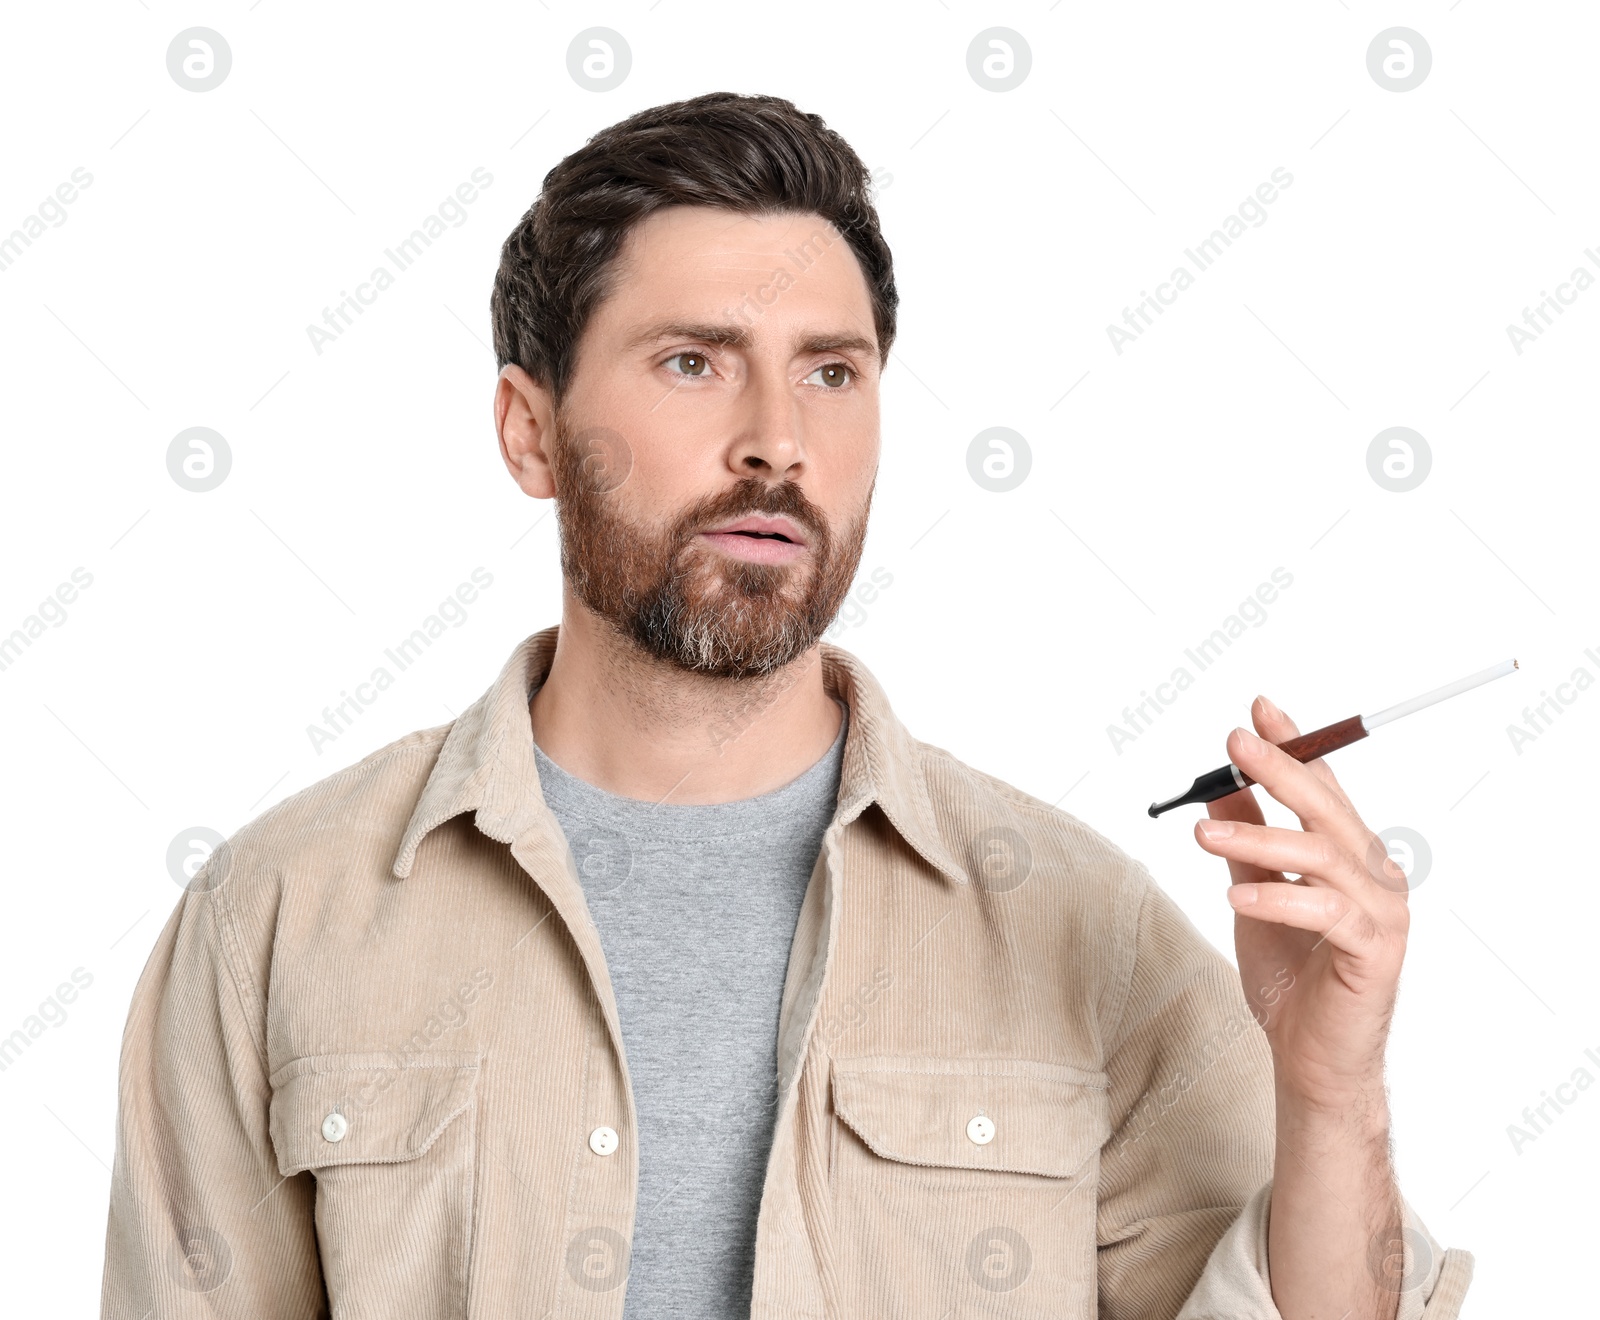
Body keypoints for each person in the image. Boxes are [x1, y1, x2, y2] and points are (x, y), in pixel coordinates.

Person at [100, 91, 1472, 1319]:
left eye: (832, 369)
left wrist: (1331, 1087)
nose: (779, 437)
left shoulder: (1083, 926)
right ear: (531, 431)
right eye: (694, 361)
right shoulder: (275, 916)